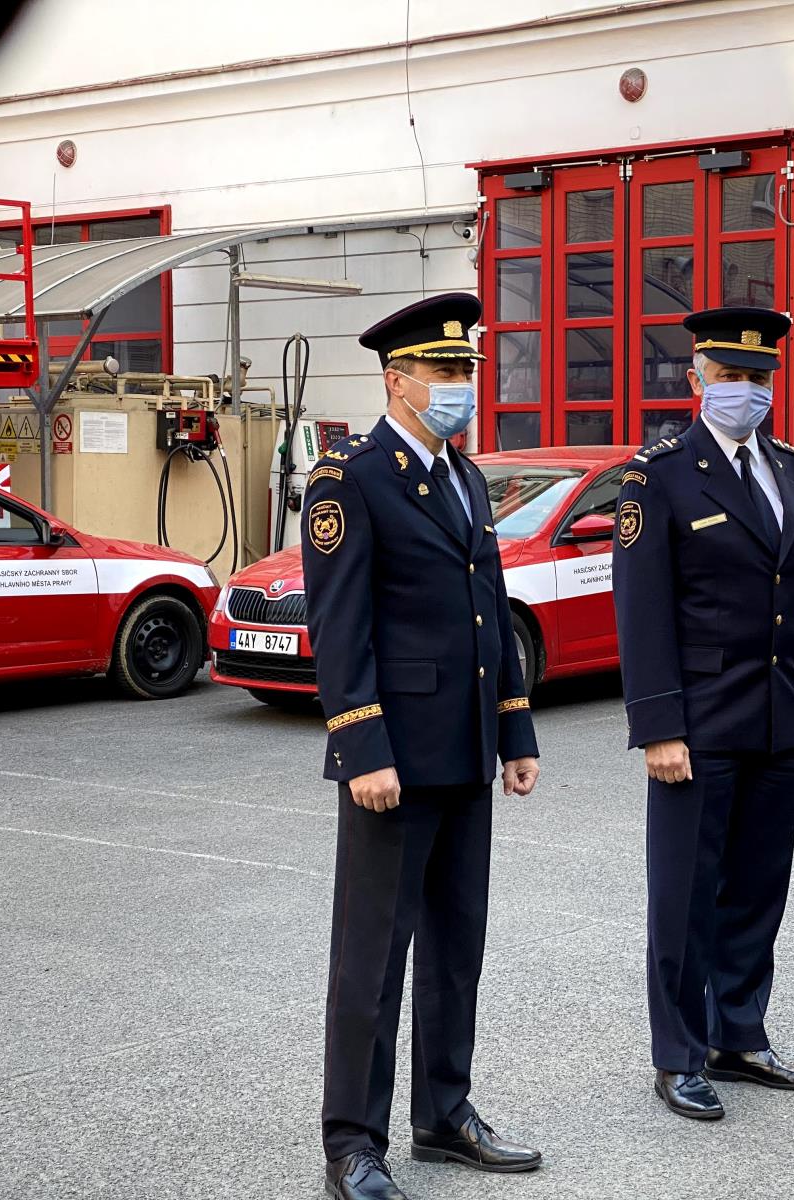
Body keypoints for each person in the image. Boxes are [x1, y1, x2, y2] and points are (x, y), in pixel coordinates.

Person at [301, 292, 542, 1200]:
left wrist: (514, 730)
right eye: (444, 371)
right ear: (394, 380)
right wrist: (363, 748)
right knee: (372, 957)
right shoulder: (351, 479)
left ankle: (444, 1113)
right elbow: (341, 626)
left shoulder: (465, 476)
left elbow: (490, 615)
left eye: (466, 369)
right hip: (393, 760)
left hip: (465, 750)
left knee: (454, 946)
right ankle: (352, 1142)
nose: (459, 385)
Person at [611, 305, 794, 1121]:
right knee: (685, 895)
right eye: (728, 375)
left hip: (778, 716)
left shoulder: (793, 472)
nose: (744, 389)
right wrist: (658, 726)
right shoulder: (660, 475)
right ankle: (679, 1054)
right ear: (696, 380)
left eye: (757, 376)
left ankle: (738, 1036)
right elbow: (642, 609)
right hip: (699, 723)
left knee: (756, 888)